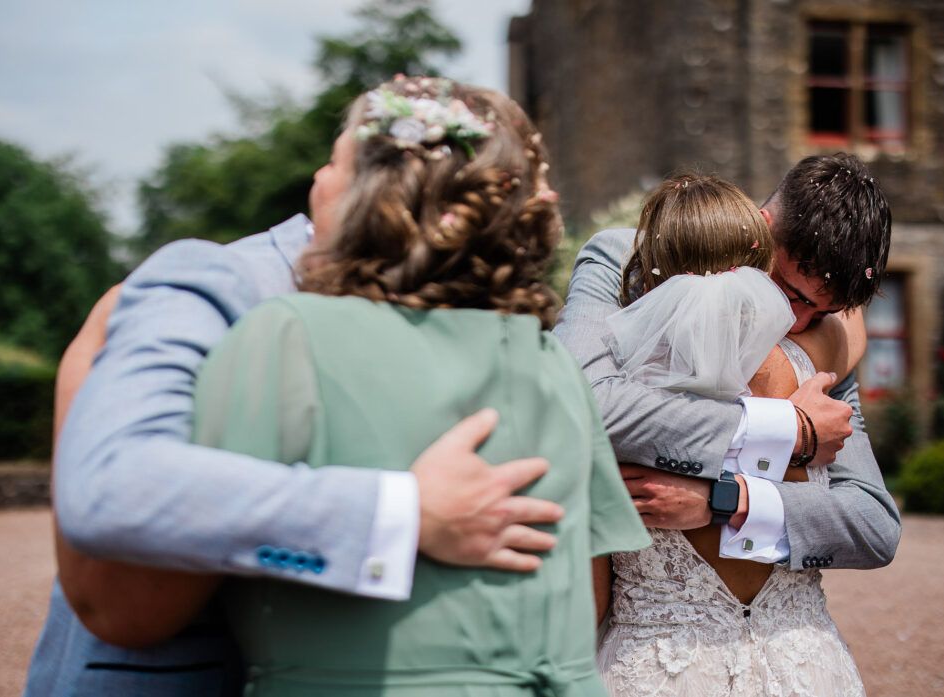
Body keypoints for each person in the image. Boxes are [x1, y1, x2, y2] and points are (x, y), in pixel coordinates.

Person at [63, 75, 651, 697]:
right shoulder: (548, 359)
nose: (315, 180)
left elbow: (131, 597)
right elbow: (587, 590)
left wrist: (398, 518)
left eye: (335, 161)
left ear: (378, 193)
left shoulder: (283, 334)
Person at [553, 152, 900, 573]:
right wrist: (788, 428)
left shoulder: (831, 341)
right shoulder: (624, 259)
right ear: (763, 229)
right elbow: (580, 403)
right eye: (792, 295)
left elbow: (873, 523)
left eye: (824, 313)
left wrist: (728, 500)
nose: (798, 323)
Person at [590, 173, 865, 696]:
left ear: (647, 278)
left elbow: (591, 599)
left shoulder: (614, 390)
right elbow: (850, 334)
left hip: (659, 669)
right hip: (804, 664)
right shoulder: (814, 361)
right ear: (758, 264)